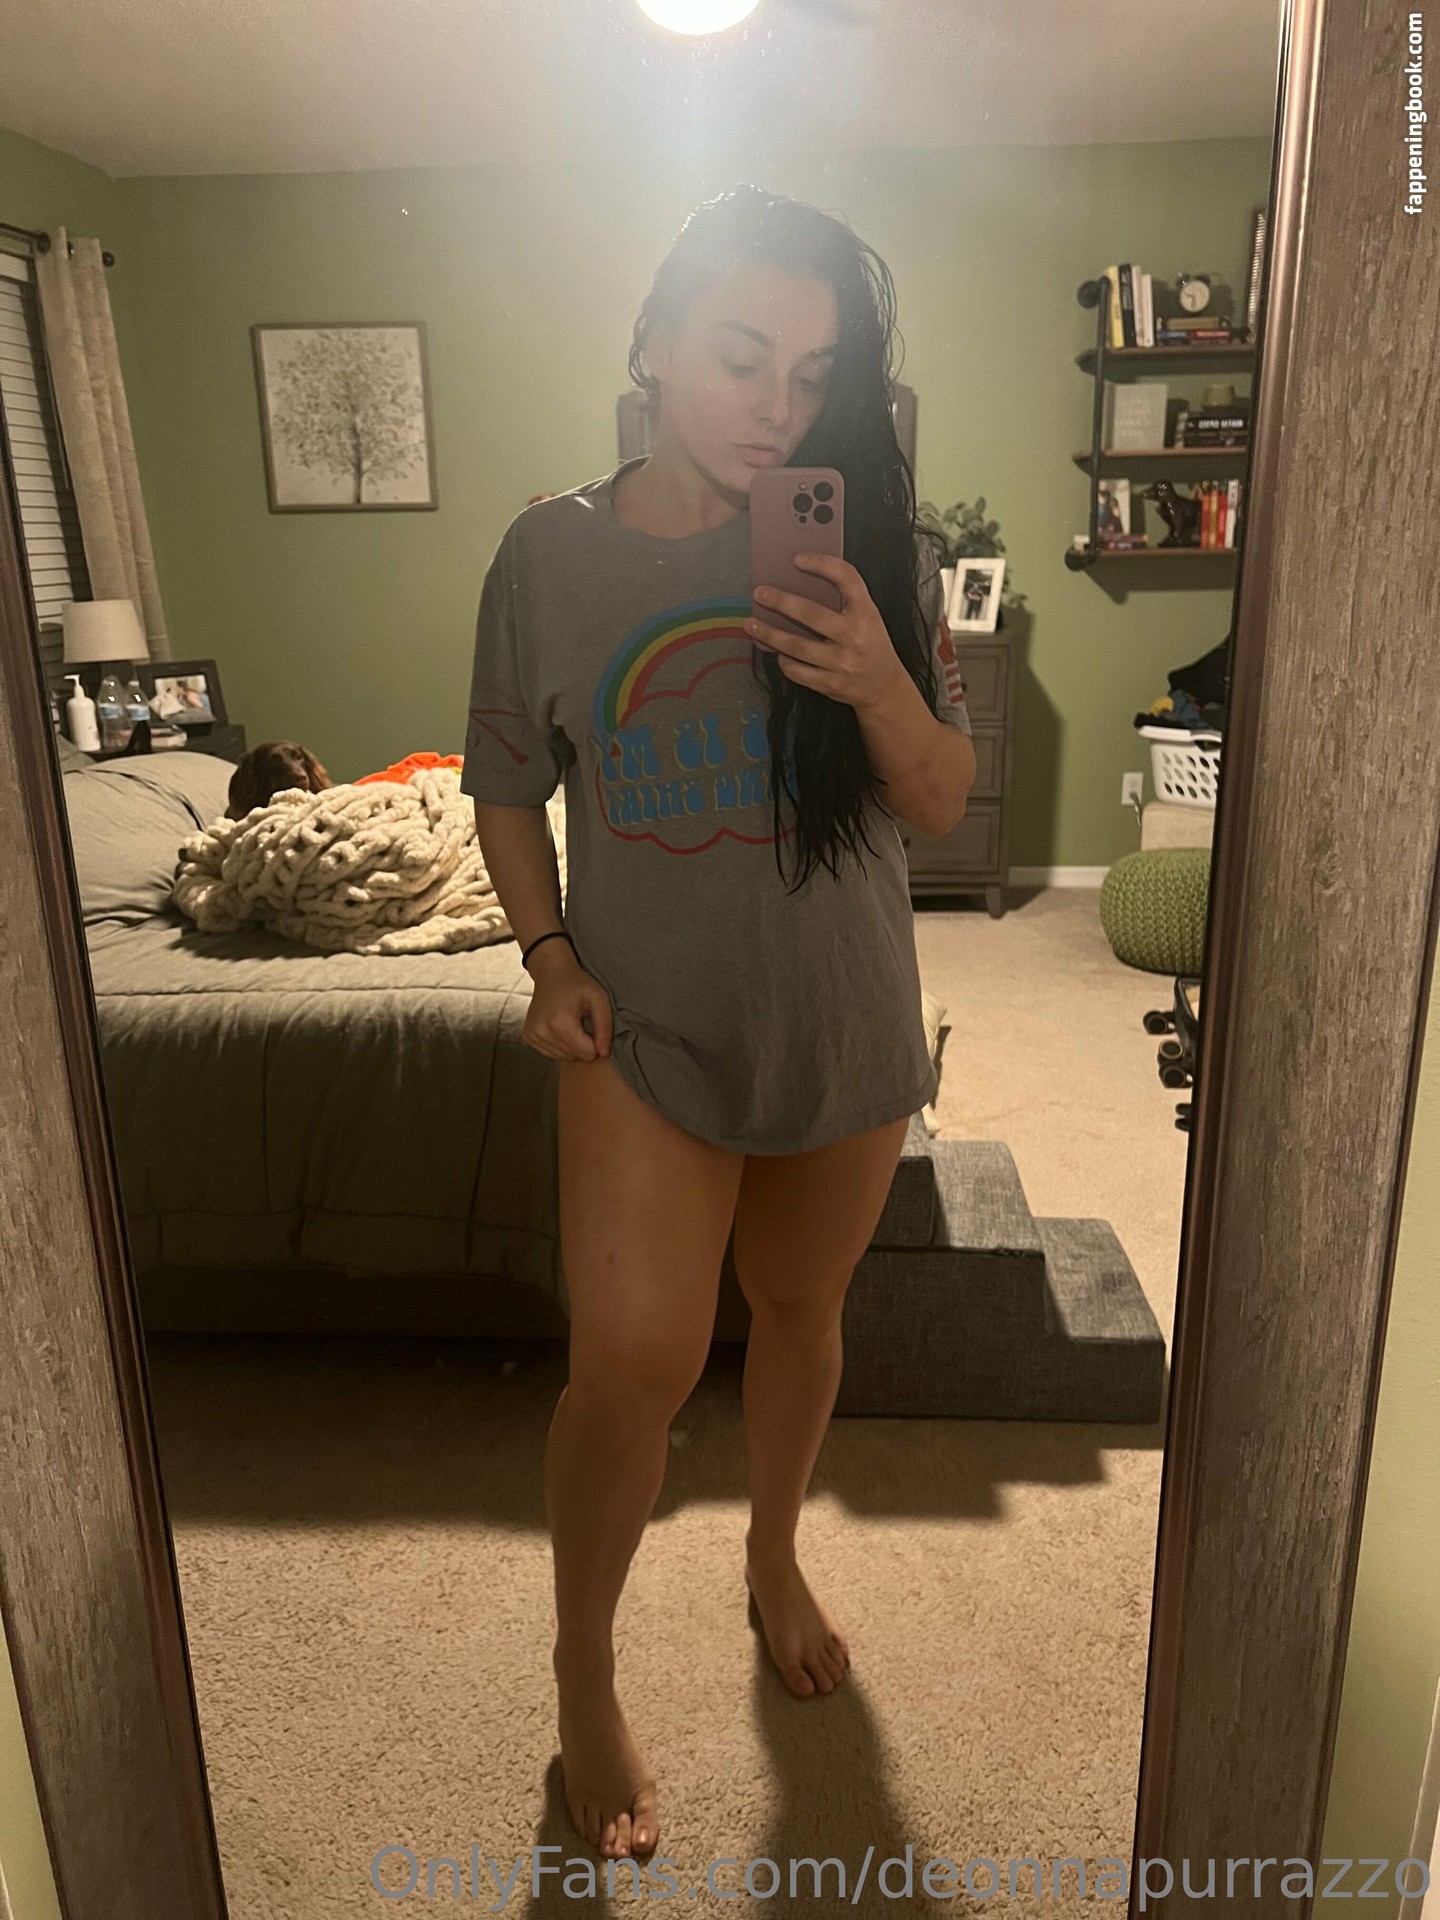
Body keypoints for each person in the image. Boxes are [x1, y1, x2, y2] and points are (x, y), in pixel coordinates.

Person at [460, 184, 977, 1865]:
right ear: (655, 345)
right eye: (743, 355)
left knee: (803, 1307)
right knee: (631, 1360)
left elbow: (940, 801)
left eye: (814, 375)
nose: (778, 406)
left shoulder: (865, 551)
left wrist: (875, 675)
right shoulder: (549, 555)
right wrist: (546, 956)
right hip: (646, 1029)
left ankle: (771, 1552)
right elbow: (507, 791)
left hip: (842, 1015)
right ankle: (583, 1662)